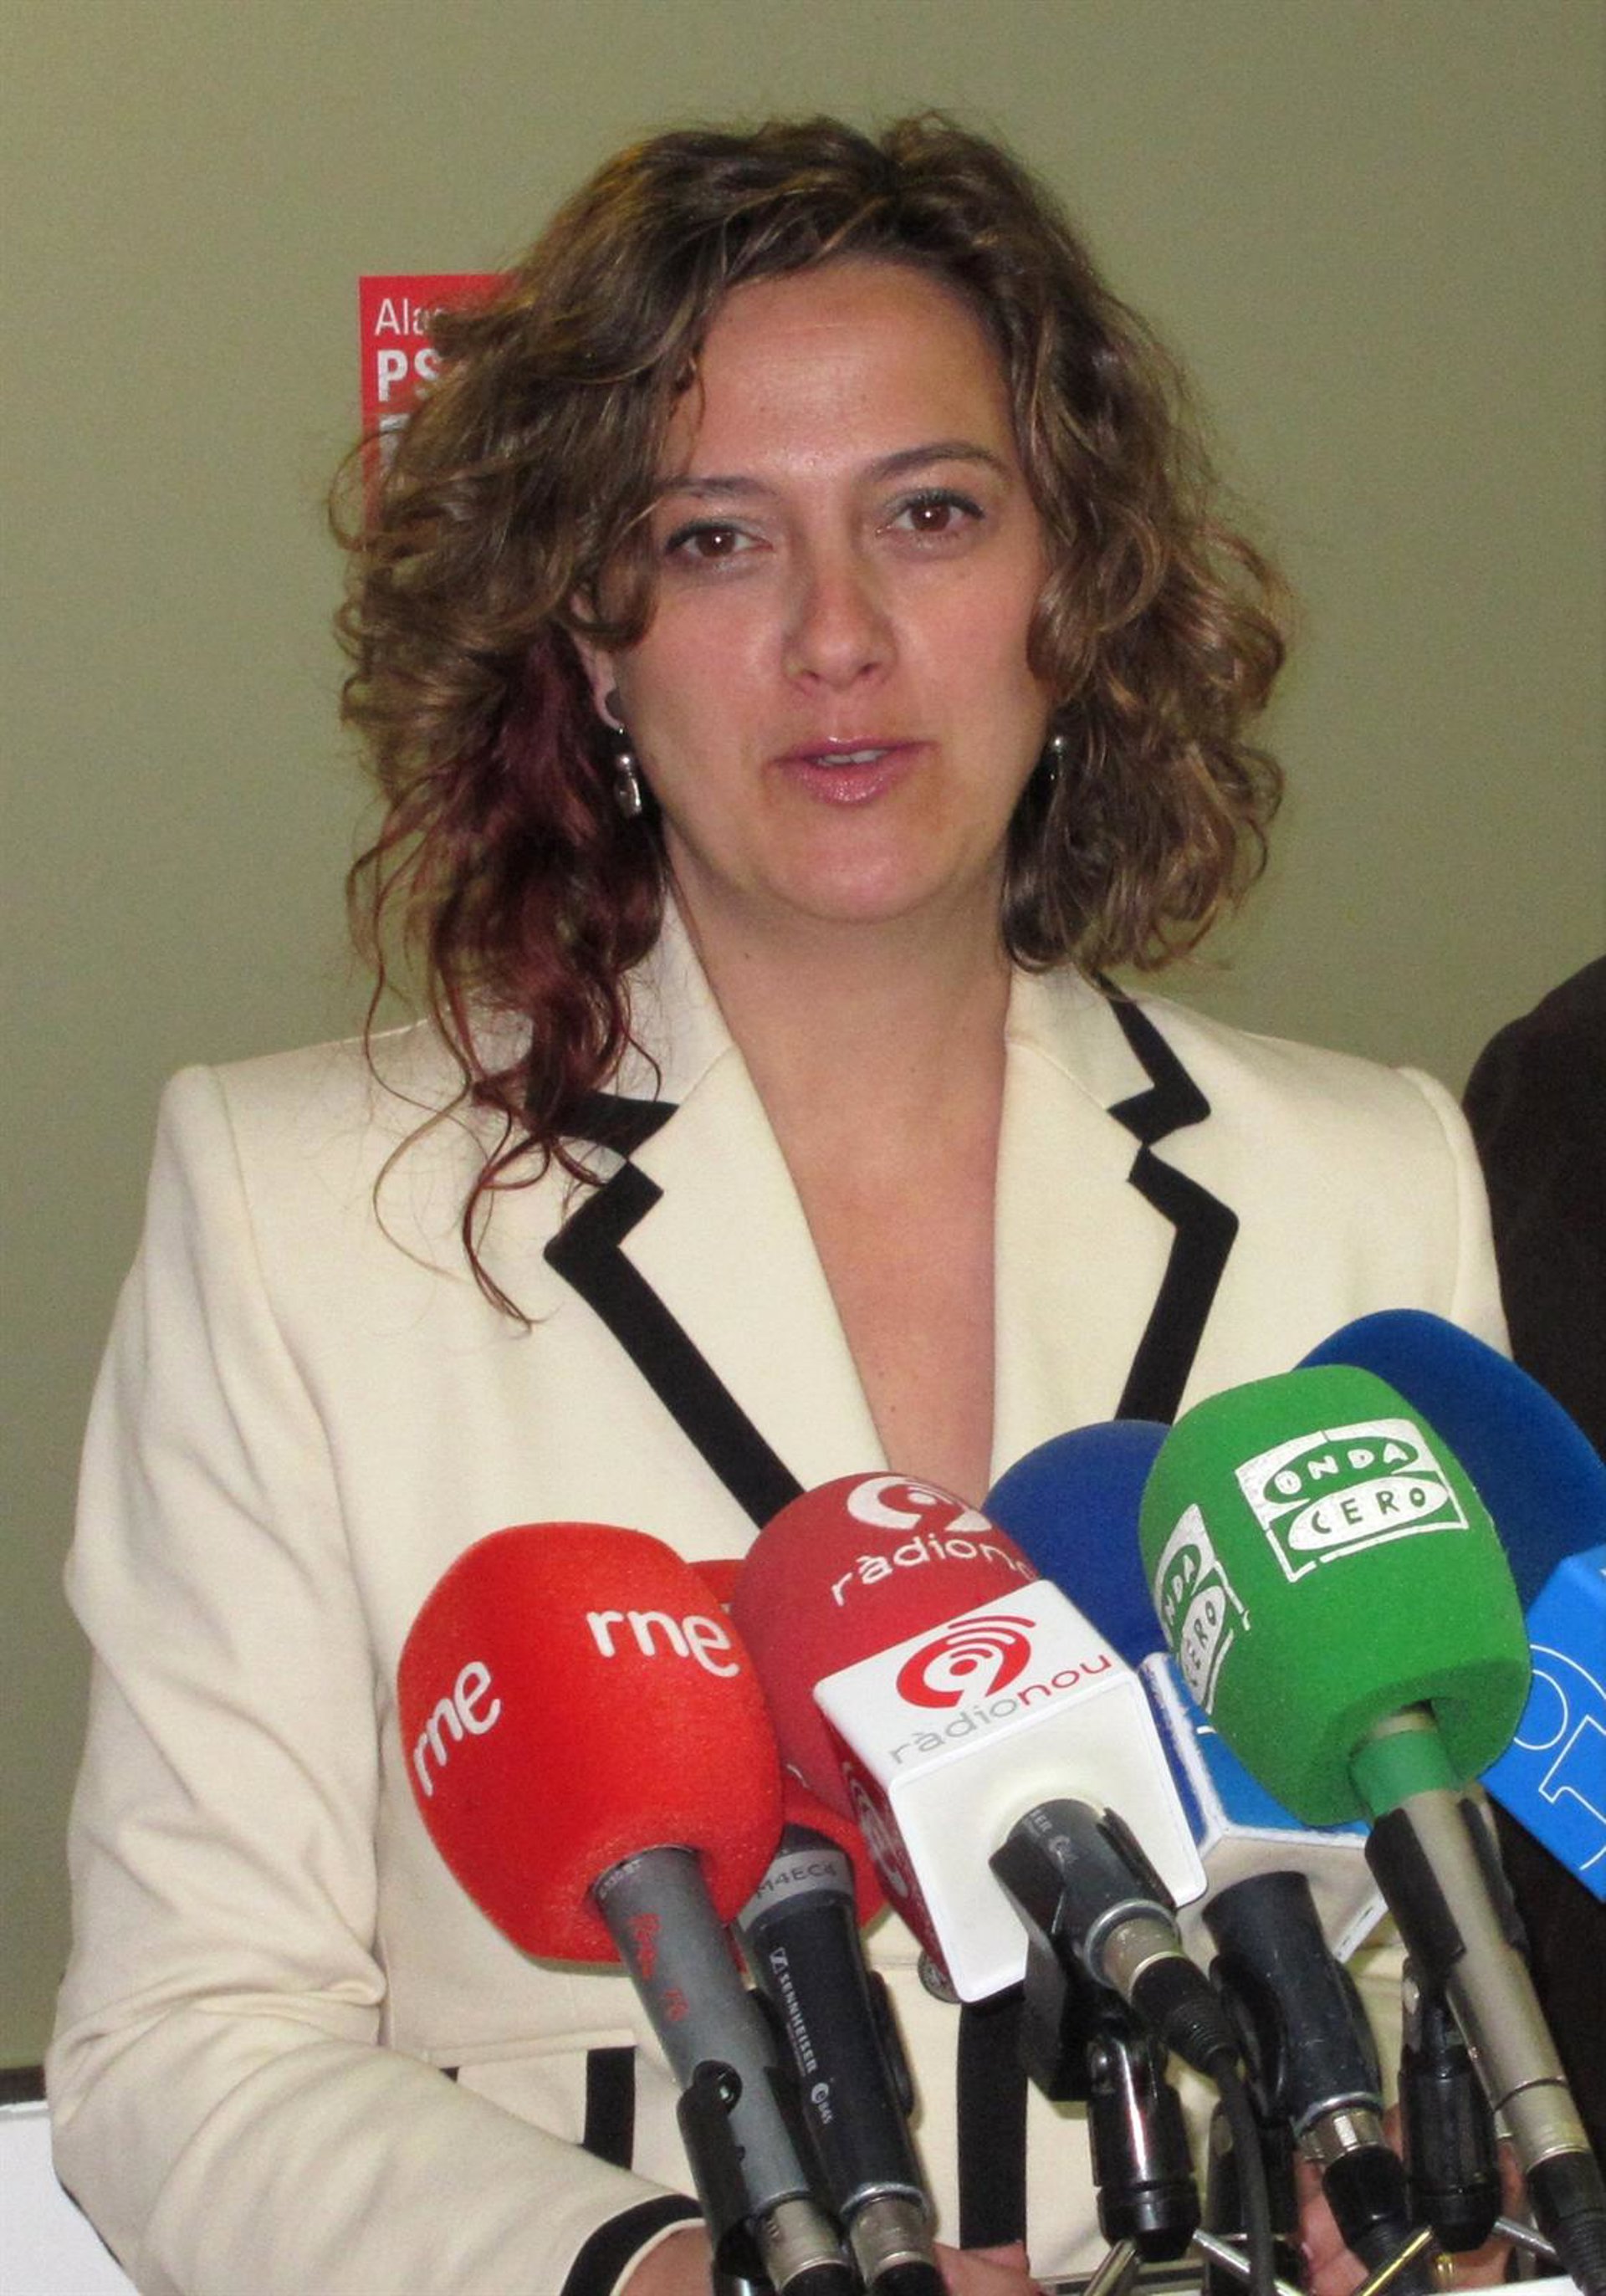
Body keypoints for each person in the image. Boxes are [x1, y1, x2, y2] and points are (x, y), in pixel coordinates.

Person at [48, 116, 1511, 2296]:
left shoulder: (1369, 1184)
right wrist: (677, 2276)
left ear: (1073, 592)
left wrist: (1405, 2167)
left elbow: (1420, 1933)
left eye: (932, 514)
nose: (840, 635)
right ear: (592, 640)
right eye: (718, 539)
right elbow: (185, 2045)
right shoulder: (298, 1214)